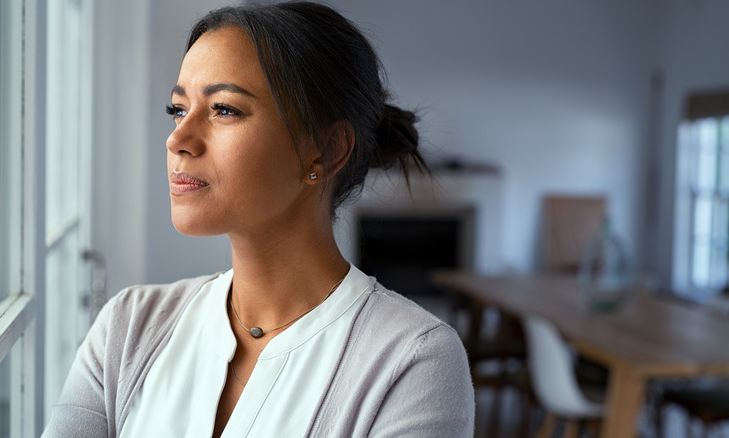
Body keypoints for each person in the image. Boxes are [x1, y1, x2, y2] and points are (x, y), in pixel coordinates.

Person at [44, 2, 474, 437]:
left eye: (224, 109)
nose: (178, 139)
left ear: (325, 150)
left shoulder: (413, 362)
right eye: (178, 109)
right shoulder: (128, 327)